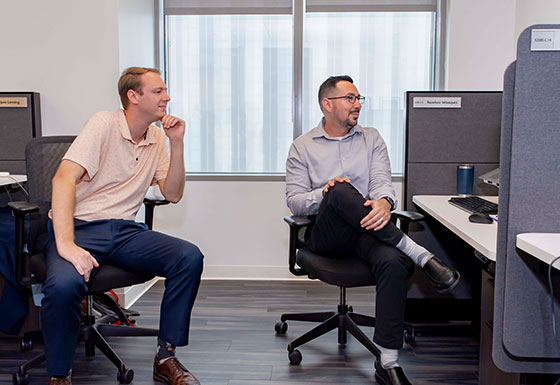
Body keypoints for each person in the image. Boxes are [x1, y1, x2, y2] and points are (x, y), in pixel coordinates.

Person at [285, 75, 460, 385]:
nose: (358, 105)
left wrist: (383, 202)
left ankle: (388, 361)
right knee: (340, 189)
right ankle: (417, 252)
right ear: (328, 104)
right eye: (350, 99)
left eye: (358, 99)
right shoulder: (303, 146)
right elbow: (296, 203)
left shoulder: (372, 138)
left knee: (392, 263)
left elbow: (382, 183)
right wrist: (324, 193)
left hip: (368, 230)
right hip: (326, 237)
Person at [43, 67, 203, 385]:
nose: (167, 97)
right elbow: (62, 179)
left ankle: (166, 357)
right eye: (158, 91)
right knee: (63, 286)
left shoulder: (157, 137)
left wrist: (177, 144)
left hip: (124, 230)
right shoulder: (103, 124)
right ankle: (59, 375)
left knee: (188, 256)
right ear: (133, 96)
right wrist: (67, 245)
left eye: (165, 90)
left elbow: (172, 194)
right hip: (80, 228)